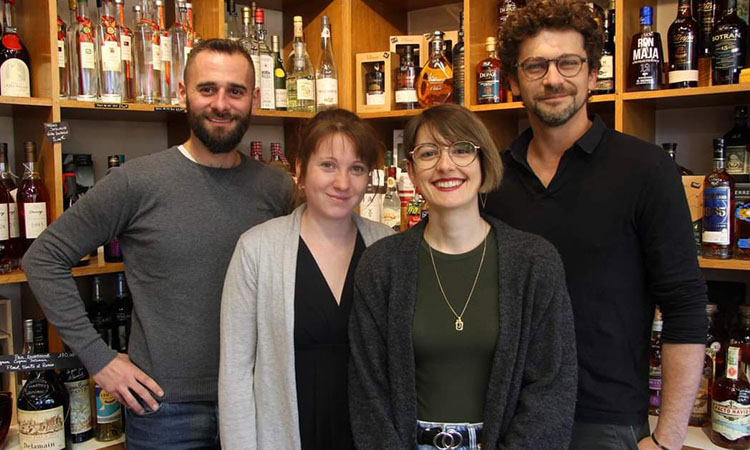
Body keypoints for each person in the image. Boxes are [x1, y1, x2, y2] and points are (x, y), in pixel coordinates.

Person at [22, 39, 294, 449]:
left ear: (254, 98)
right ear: (183, 93)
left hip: (258, 398)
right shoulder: (137, 182)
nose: (221, 104)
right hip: (166, 410)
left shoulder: (276, 188)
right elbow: (43, 259)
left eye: (235, 91)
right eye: (207, 89)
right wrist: (101, 360)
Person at [483, 2, 708, 449]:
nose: (553, 79)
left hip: (608, 422)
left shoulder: (645, 169)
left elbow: (685, 304)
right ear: (512, 82)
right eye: (535, 66)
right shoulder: (492, 178)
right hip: (510, 417)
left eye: (568, 63)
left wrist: (669, 437)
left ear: (591, 74)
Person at [349, 104, 578, 450]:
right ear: (411, 171)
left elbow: (551, 389)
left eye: (462, 150)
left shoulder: (534, 262)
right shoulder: (381, 265)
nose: (445, 165)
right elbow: (368, 393)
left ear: (483, 163)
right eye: (428, 153)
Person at [219, 108, 393, 450]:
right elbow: (235, 375)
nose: (343, 183)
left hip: (369, 437)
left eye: (356, 169)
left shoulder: (386, 246)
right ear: (299, 169)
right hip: (290, 435)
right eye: (328, 165)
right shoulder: (257, 249)